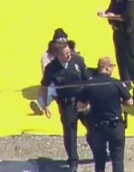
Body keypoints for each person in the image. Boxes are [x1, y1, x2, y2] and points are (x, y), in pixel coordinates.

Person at [39, 33, 90, 171]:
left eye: (69, 52)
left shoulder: (78, 61)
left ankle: (100, 151)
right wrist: (46, 105)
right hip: (67, 104)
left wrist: (90, 101)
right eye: (65, 54)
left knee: (94, 126)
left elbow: (88, 80)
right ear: (57, 54)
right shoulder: (51, 68)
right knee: (70, 133)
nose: (68, 55)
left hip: (83, 100)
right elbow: (44, 87)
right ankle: (73, 161)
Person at [77, 57, 134, 172]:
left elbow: (79, 105)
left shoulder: (89, 84)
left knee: (99, 160)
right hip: (115, 126)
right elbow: (130, 102)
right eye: (113, 66)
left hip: (97, 127)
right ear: (107, 67)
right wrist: (120, 101)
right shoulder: (116, 83)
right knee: (117, 159)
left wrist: (88, 107)